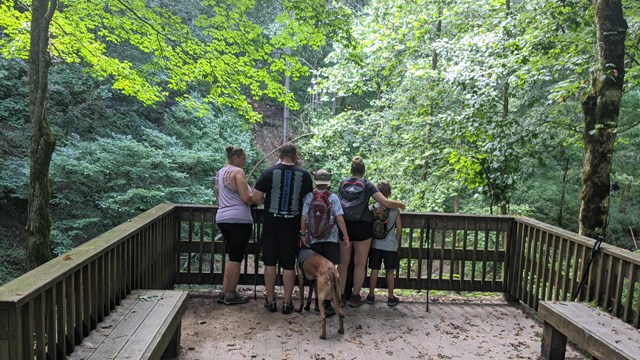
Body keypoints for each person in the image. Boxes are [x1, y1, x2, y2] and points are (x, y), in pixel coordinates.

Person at [252, 143, 313, 314]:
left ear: (280, 154)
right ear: (295, 155)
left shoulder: (268, 172)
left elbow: (256, 198)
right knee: (288, 264)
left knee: (269, 262)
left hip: (271, 224)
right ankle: (287, 303)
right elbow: (308, 204)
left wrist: (267, 200)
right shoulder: (305, 175)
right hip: (292, 226)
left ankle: (270, 301)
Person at [337, 156, 405, 307]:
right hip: (362, 228)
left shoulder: (342, 184)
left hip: (345, 227)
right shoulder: (367, 185)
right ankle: (355, 297)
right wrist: (400, 204)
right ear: (364, 170)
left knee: (343, 263)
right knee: (360, 264)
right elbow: (385, 202)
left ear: (351, 170)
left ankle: (340, 296)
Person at [300, 169, 350, 316]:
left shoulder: (309, 196)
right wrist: (346, 237)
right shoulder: (333, 197)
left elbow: (303, 217)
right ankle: (327, 304)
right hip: (331, 239)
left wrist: (303, 234)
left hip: (314, 240)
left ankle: (318, 302)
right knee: (329, 271)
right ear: (328, 183)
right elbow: (339, 218)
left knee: (318, 271)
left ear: (316, 182)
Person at [215, 146, 254, 305]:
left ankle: (224, 292)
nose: (244, 162)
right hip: (239, 219)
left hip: (222, 217)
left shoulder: (220, 173)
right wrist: (256, 198)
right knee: (236, 258)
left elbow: (218, 197)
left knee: (232, 256)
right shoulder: (238, 172)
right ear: (236, 157)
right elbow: (246, 198)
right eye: (243, 158)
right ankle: (231, 294)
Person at [366, 181, 402, 306]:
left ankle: (371, 295)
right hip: (390, 244)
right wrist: (396, 242)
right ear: (389, 193)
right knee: (390, 271)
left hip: (376, 244)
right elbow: (399, 228)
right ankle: (391, 297)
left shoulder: (372, 208)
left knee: (374, 270)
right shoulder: (394, 209)